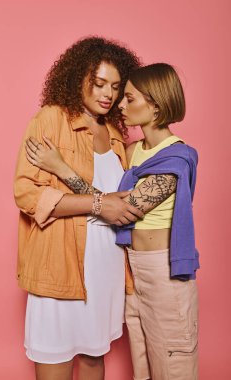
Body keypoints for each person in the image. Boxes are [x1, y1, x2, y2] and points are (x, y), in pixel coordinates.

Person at [26, 63, 199, 380]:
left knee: (173, 364)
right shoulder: (131, 150)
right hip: (132, 274)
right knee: (143, 366)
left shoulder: (177, 159)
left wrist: (62, 169)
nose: (119, 103)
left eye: (127, 96)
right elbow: (104, 199)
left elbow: (122, 209)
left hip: (164, 273)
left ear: (155, 105)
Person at [14, 36, 143, 380]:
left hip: (108, 265)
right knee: (55, 357)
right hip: (60, 261)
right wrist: (98, 204)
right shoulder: (51, 119)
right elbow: (26, 193)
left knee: (92, 357)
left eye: (115, 87)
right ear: (76, 79)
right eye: (98, 83)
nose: (108, 94)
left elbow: (124, 201)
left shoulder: (116, 134)